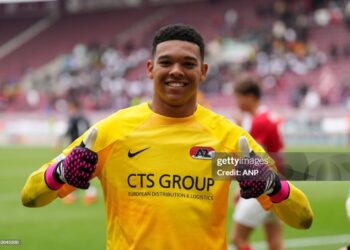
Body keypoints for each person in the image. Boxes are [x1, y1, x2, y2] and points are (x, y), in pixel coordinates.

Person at [21, 24, 313, 250]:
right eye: (166, 62)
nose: (176, 71)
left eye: (188, 63)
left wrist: (271, 185)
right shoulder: (112, 133)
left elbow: (302, 218)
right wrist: (60, 173)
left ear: (203, 71)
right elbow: (31, 196)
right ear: (150, 68)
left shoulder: (226, 142)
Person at [231, 77, 285, 250]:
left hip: (263, 184)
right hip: (278, 183)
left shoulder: (259, 120)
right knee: (274, 239)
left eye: (239, 97)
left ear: (250, 97)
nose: (237, 102)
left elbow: (255, 157)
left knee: (237, 238)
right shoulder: (268, 116)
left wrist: (240, 187)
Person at [58, 98, 97, 205]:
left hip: (75, 149)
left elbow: (68, 131)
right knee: (78, 172)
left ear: (73, 107)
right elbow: (91, 131)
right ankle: (77, 195)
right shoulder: (84, 118)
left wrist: (59, 140)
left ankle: (90, 193)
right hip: (86, 148)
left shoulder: (73, 118)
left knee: (75, 172)